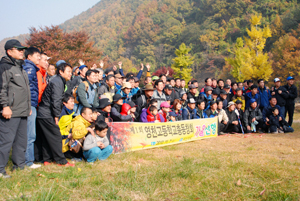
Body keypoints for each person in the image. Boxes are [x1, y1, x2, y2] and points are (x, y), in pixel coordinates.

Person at [0, 39, 30, 178]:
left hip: (22, 110)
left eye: (22, 49)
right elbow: (2, 89)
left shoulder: (20, 67)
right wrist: (5, 106)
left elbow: (25, 90)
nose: (22, 51)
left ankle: (19, 166)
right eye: (19, 49)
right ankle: (0, 169)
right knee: (6, 141)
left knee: (21, 141)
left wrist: (28, 107)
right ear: (9, 51)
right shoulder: (5, 67)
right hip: (10, 111)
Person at [36, 62, 74, 167]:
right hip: (47, 113)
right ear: (61, 71)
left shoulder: (59, 81)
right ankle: (61, 161)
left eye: (71, 72)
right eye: (68, 72)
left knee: (47, 137)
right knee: (56, 136)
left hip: (44, 113)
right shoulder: (58, 82)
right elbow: (56, 100)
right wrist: (57, 116)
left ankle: (47, 159)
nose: (70, 74)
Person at [22, 47, 42, 169]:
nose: (39, 58)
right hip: (29, 104)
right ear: (29, 56)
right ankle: (28, 161)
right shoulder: (29, 67)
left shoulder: (30, 66)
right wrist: (28, 103)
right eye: (37, 56)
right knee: (30, 134)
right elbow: (26, 86)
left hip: (30, 103)